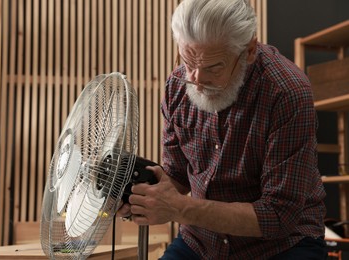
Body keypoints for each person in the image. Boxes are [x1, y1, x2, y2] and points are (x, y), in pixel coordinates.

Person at [118, 0, 327, 258]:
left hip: (281, 245)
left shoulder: (287, 92)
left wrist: (180, 209)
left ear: (249, 50)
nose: (196, 80)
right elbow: (178, 177)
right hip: (201, 241)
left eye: (213, 67)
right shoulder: (177, 86)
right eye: (187, 62)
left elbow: (278, 215)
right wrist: (139, 194)